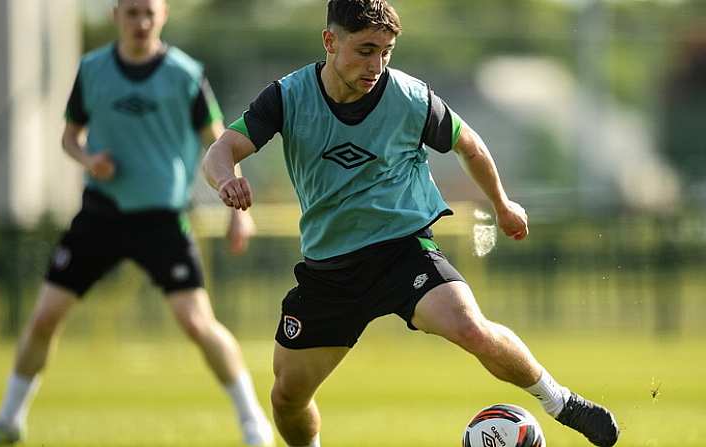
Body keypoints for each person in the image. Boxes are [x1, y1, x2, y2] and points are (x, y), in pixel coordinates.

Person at [201, 1, 621, 446]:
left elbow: (469, 145)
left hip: (402, 250)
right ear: (330, 41)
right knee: (287, 396)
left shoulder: (408, 97)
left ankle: (561, 401)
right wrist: (226, 180)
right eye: (365, 50)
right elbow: (219, 151)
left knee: (470, 326)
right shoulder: (287, 97)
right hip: (331, 271)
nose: (376, 65)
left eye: (386, 51)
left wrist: (501, 203)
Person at [0, 1, 275, 446]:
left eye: (149, 12)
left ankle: (253, 422)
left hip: (162, 218)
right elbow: (70, 138)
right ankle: (9, 420)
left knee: (197, 322)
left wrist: (239, 214)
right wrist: (89, 160)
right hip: (101, 214)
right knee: (45, 316)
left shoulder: (184, 74)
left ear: (162, 15)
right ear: (116, 17)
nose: (141, 22)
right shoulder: (92, 69)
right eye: (132, 12)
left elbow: (220, 142)